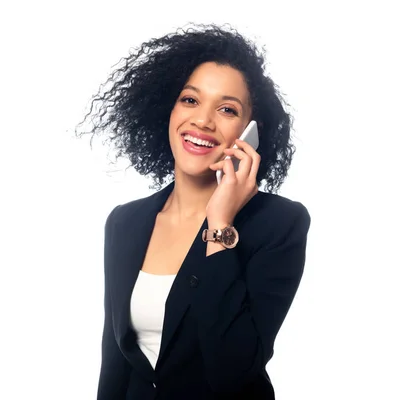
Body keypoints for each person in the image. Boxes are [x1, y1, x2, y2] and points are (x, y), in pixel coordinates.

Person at [76, 23, 311, 400]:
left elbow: (233, 371)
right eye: (190, 100)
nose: (202, 120)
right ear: (167, 108)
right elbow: (115, 360)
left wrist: (220, 223)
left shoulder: (279, 224)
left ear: (250, 131)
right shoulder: (126, 222)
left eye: (227, 109)